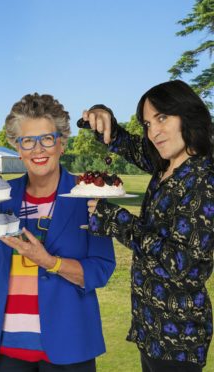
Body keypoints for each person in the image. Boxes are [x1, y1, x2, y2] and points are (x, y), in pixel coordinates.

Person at [0, 93, 116, 371]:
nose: (38, 149)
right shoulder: (1, 196)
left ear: (62, 143)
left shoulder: (89, 195)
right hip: (4, 351)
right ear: (17, 148)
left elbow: (100, 270)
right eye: (28, 141)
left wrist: (50, 262)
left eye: (47, 138)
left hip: (69, 349)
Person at [84, 80, 214, 372]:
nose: (153, 132)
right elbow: (123, 142)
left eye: (162, 118)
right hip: (150, 327)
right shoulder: (166, 165)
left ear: (187, 114)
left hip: (179, 338)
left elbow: (182, 263)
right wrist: (101, 115)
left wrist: (116, 220)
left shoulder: (203, 180)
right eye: (147, 123)